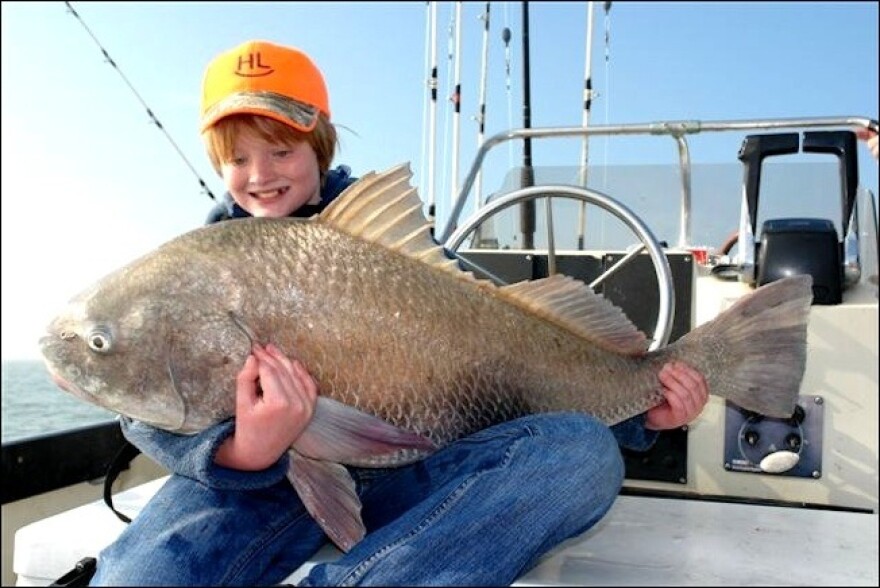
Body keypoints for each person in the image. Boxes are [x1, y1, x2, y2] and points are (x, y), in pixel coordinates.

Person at [89, 39, 709, 586]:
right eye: (239, 159)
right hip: (260, 491)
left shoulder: (398, 251)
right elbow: (147, 412)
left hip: (421, 471)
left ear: (320, 141)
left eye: (281, 150)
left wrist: (644, 412)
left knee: (583, 456)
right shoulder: (186, 275)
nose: (261, 174)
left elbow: (511, 371)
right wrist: (245, 451)